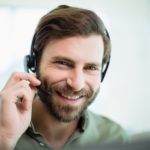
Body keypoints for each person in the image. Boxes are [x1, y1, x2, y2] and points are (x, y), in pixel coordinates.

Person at [0, 5, 128, 150]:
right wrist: (5, 139)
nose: (77, 84)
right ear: (34, 63)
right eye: (63, 63)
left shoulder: (116, 138)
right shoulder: (3, 132)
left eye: (91, 68)